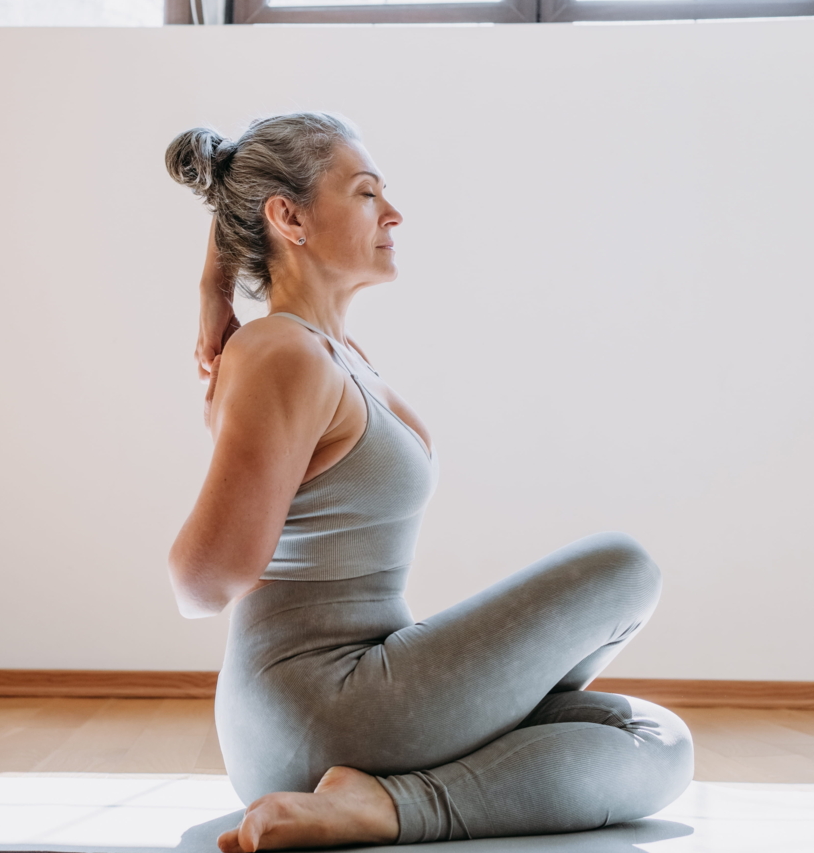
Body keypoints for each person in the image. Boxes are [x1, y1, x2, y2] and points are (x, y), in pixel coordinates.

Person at [163, 112, 693, 853]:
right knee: (624, 570)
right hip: (317, 704)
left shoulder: (330, 350)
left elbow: (250, 230)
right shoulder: (281, 353)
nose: (392, 213)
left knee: (656, 742)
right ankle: (391, 805)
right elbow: (202, 583)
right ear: (290, 217)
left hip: (361, 695)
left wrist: (210, 282)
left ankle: (381, 802)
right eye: (365, 192)